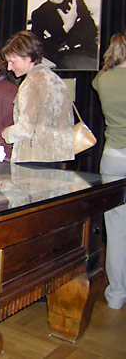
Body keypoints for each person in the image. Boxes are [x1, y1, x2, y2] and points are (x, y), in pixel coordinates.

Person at [1, 31, 74, 166]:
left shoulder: (31, 83)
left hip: (34, 157)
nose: (9, 67)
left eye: (12, 61)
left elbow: (26, 128)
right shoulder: (54, 79)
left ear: (28, 57)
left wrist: (6, 133)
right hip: (55, 156)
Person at [92, 30, 126, 310]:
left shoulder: (102, 79)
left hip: (113, 157)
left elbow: (97, 77)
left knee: (116, 229)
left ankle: (116, 295)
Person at [31, 0, 98, 70]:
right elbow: (40, 48)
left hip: (89, 53)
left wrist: (61, 40)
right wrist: (67, 27)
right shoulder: (39, 14)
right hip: (63, 60)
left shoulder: (77, 3)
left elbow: (92, 31)